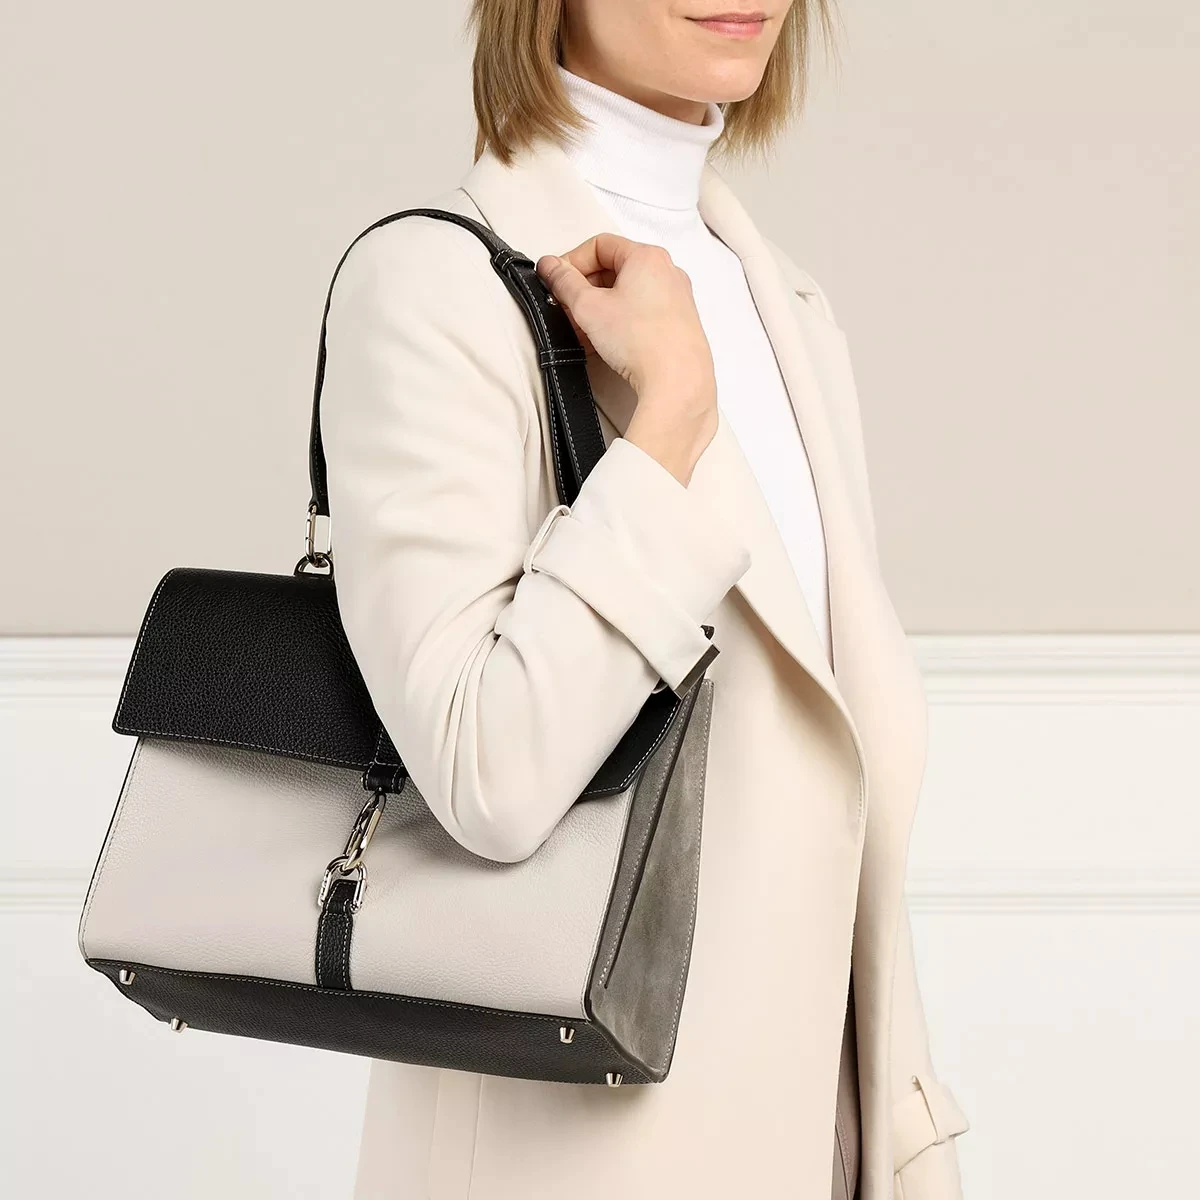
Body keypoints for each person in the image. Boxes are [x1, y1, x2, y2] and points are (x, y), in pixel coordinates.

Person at [320, 2, 969, 1198]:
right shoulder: (434, 289)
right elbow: (485, 771)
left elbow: (835, 805)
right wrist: (666, 422)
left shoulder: (790, 311)